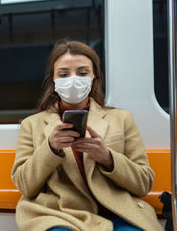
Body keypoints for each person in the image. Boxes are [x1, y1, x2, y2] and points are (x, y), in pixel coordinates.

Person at [11, 40, 163, 231]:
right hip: (59, 215)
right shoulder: (32, 125)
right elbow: (25, 186)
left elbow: (144, 183)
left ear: (94, 77)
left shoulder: (122, 119)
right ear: (54, 80)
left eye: (82, 73)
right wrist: (50, 148)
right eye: (64, 74)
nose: (73, 80)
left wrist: (107, 158)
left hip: (117, 212)